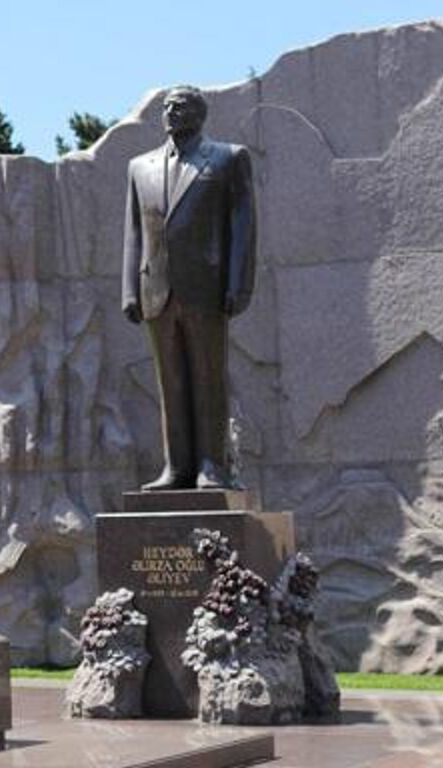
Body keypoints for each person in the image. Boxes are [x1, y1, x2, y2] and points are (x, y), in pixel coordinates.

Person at [121, 85, 257, 491]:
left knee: (208, 380)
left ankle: (212, 467)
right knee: (171, 383)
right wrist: (129, 289)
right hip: (156, 291)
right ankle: (176, 468)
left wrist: (237, 283)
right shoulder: (139, 167)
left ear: (200, 114)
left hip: (207, 289)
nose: (171, 112)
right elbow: (133, 232)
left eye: (180, 106)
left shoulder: (229, 158)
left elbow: (243, 227)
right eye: (167, 107)